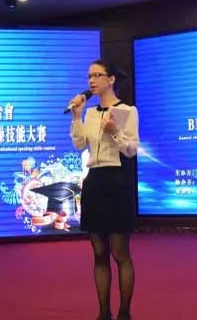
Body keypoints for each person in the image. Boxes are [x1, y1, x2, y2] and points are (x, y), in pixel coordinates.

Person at [69, 59, 139, 320]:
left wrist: (115, 131)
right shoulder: (90, 113)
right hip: (95, 182)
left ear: (111, 79)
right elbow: (79, 144)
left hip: (117, 181)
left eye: (97, 75)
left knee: (120, 253)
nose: (91, 81)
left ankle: (124, 313)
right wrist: (77, 116)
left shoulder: (127, 111)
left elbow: (131, 150)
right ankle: (103, 313)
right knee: (99, 253)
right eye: (89, 76)